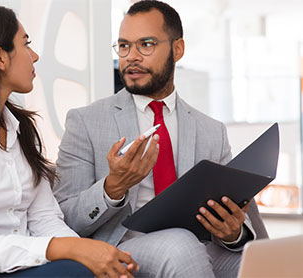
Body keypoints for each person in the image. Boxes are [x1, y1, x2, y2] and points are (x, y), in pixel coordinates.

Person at [0, 5, 139, 278]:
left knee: (95, 269)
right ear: (0, 58)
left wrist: (93, 256)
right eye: (25, 44)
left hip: (16, 269)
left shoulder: (21, 131)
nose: (35, 55)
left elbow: (45, 220)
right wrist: (72, 251)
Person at [53, 1, 268, 277]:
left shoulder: (211, 130)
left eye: (146, 44)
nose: (131, 56)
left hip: (202, 246)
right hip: (126, 246)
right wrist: (112, 188)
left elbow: (241, 218)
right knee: (180, 245)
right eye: (124, 46)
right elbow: (64, 219)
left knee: (266, 261)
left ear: (177, 49)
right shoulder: (85, 121)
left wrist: (233, 232)